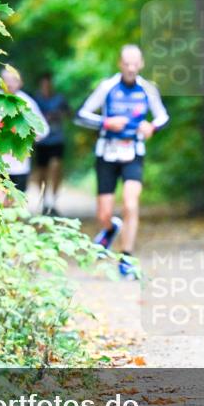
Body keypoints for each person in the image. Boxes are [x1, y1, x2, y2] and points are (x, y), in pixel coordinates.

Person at [76, 45, 169, 279]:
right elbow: (81, 115)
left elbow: (163, 116)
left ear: (141, 64)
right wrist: (105, 122)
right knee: (103, 214)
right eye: (126, 63)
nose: (130, 68)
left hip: (133, 151)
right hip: (107, 152)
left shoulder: (147, 89)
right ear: (120, 64)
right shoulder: (107, 87)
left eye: (135, 63)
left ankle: (126, 258)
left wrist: (153, 127)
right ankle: (110, 228)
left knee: (131, 204)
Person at [0, 64, 49, 196]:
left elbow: (44, 129)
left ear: (21, 82)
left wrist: (28, 136)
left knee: (14, 206)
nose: (10, 83)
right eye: (6, 79)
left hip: (19, 165)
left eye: (14, 80)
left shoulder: (27, 103)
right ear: (0, 81)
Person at [31, 72, 70, 216]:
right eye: (44, 85)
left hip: (57, 140)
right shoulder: (35, 99)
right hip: (41, 141)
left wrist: (57, 115)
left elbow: (68, 113)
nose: (46, 87)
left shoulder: (60, 99)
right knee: (42, 172)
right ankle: (44, 202)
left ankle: (53, 201)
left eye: (48, 84)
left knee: (56, 167)